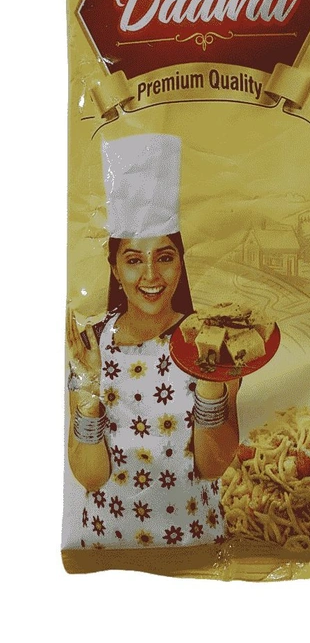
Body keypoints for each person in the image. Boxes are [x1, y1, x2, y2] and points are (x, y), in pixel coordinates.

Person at [66, 134, 240, 549]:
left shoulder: (209, 343)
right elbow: (90, 476)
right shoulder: (91, 346)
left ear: (181, 263)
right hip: (105, 547)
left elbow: (214, 466)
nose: (150, 275)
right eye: (133, 260)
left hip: (198, 546)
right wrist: (88, 391)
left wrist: (210, 381)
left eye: (164, 257)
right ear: (114, 268)